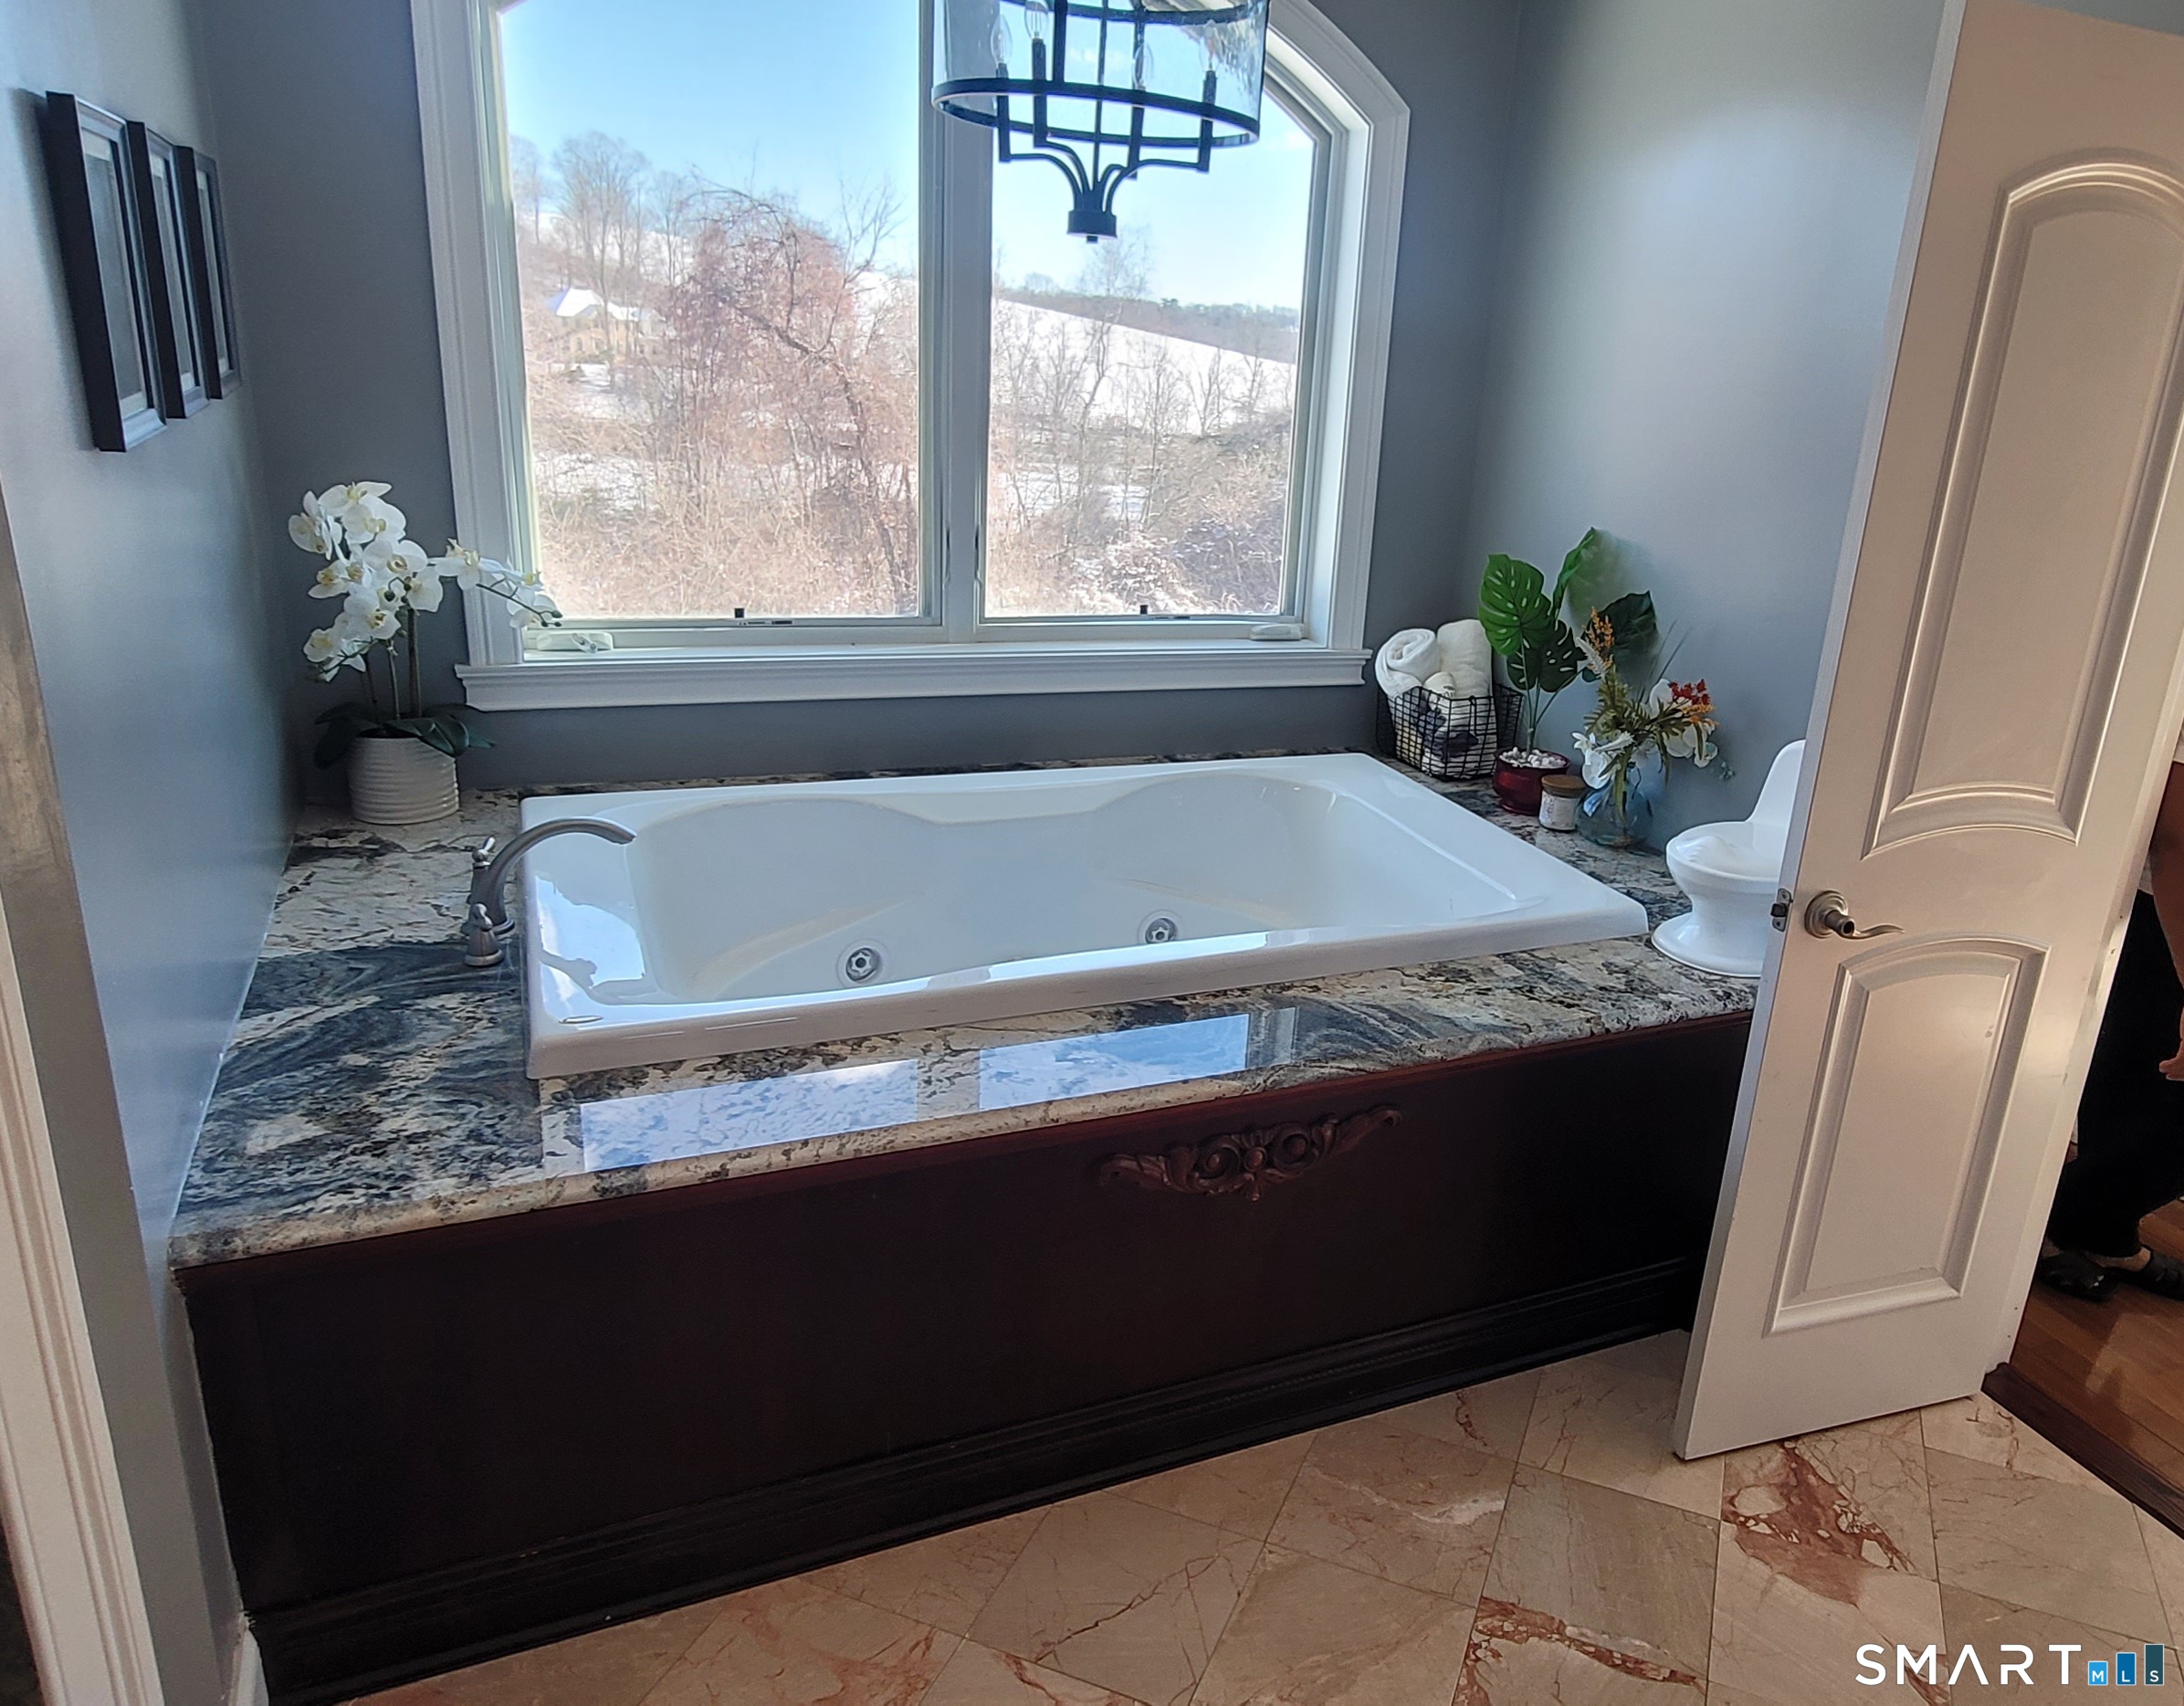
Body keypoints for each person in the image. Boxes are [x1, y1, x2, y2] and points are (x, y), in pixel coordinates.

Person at [2040, 744, 2184, 1301]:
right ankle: (2046, 1222)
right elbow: (2175, 839)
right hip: (2165, 908)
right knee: (2145, 1076)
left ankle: (2099, 1229)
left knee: (2136, 1082)